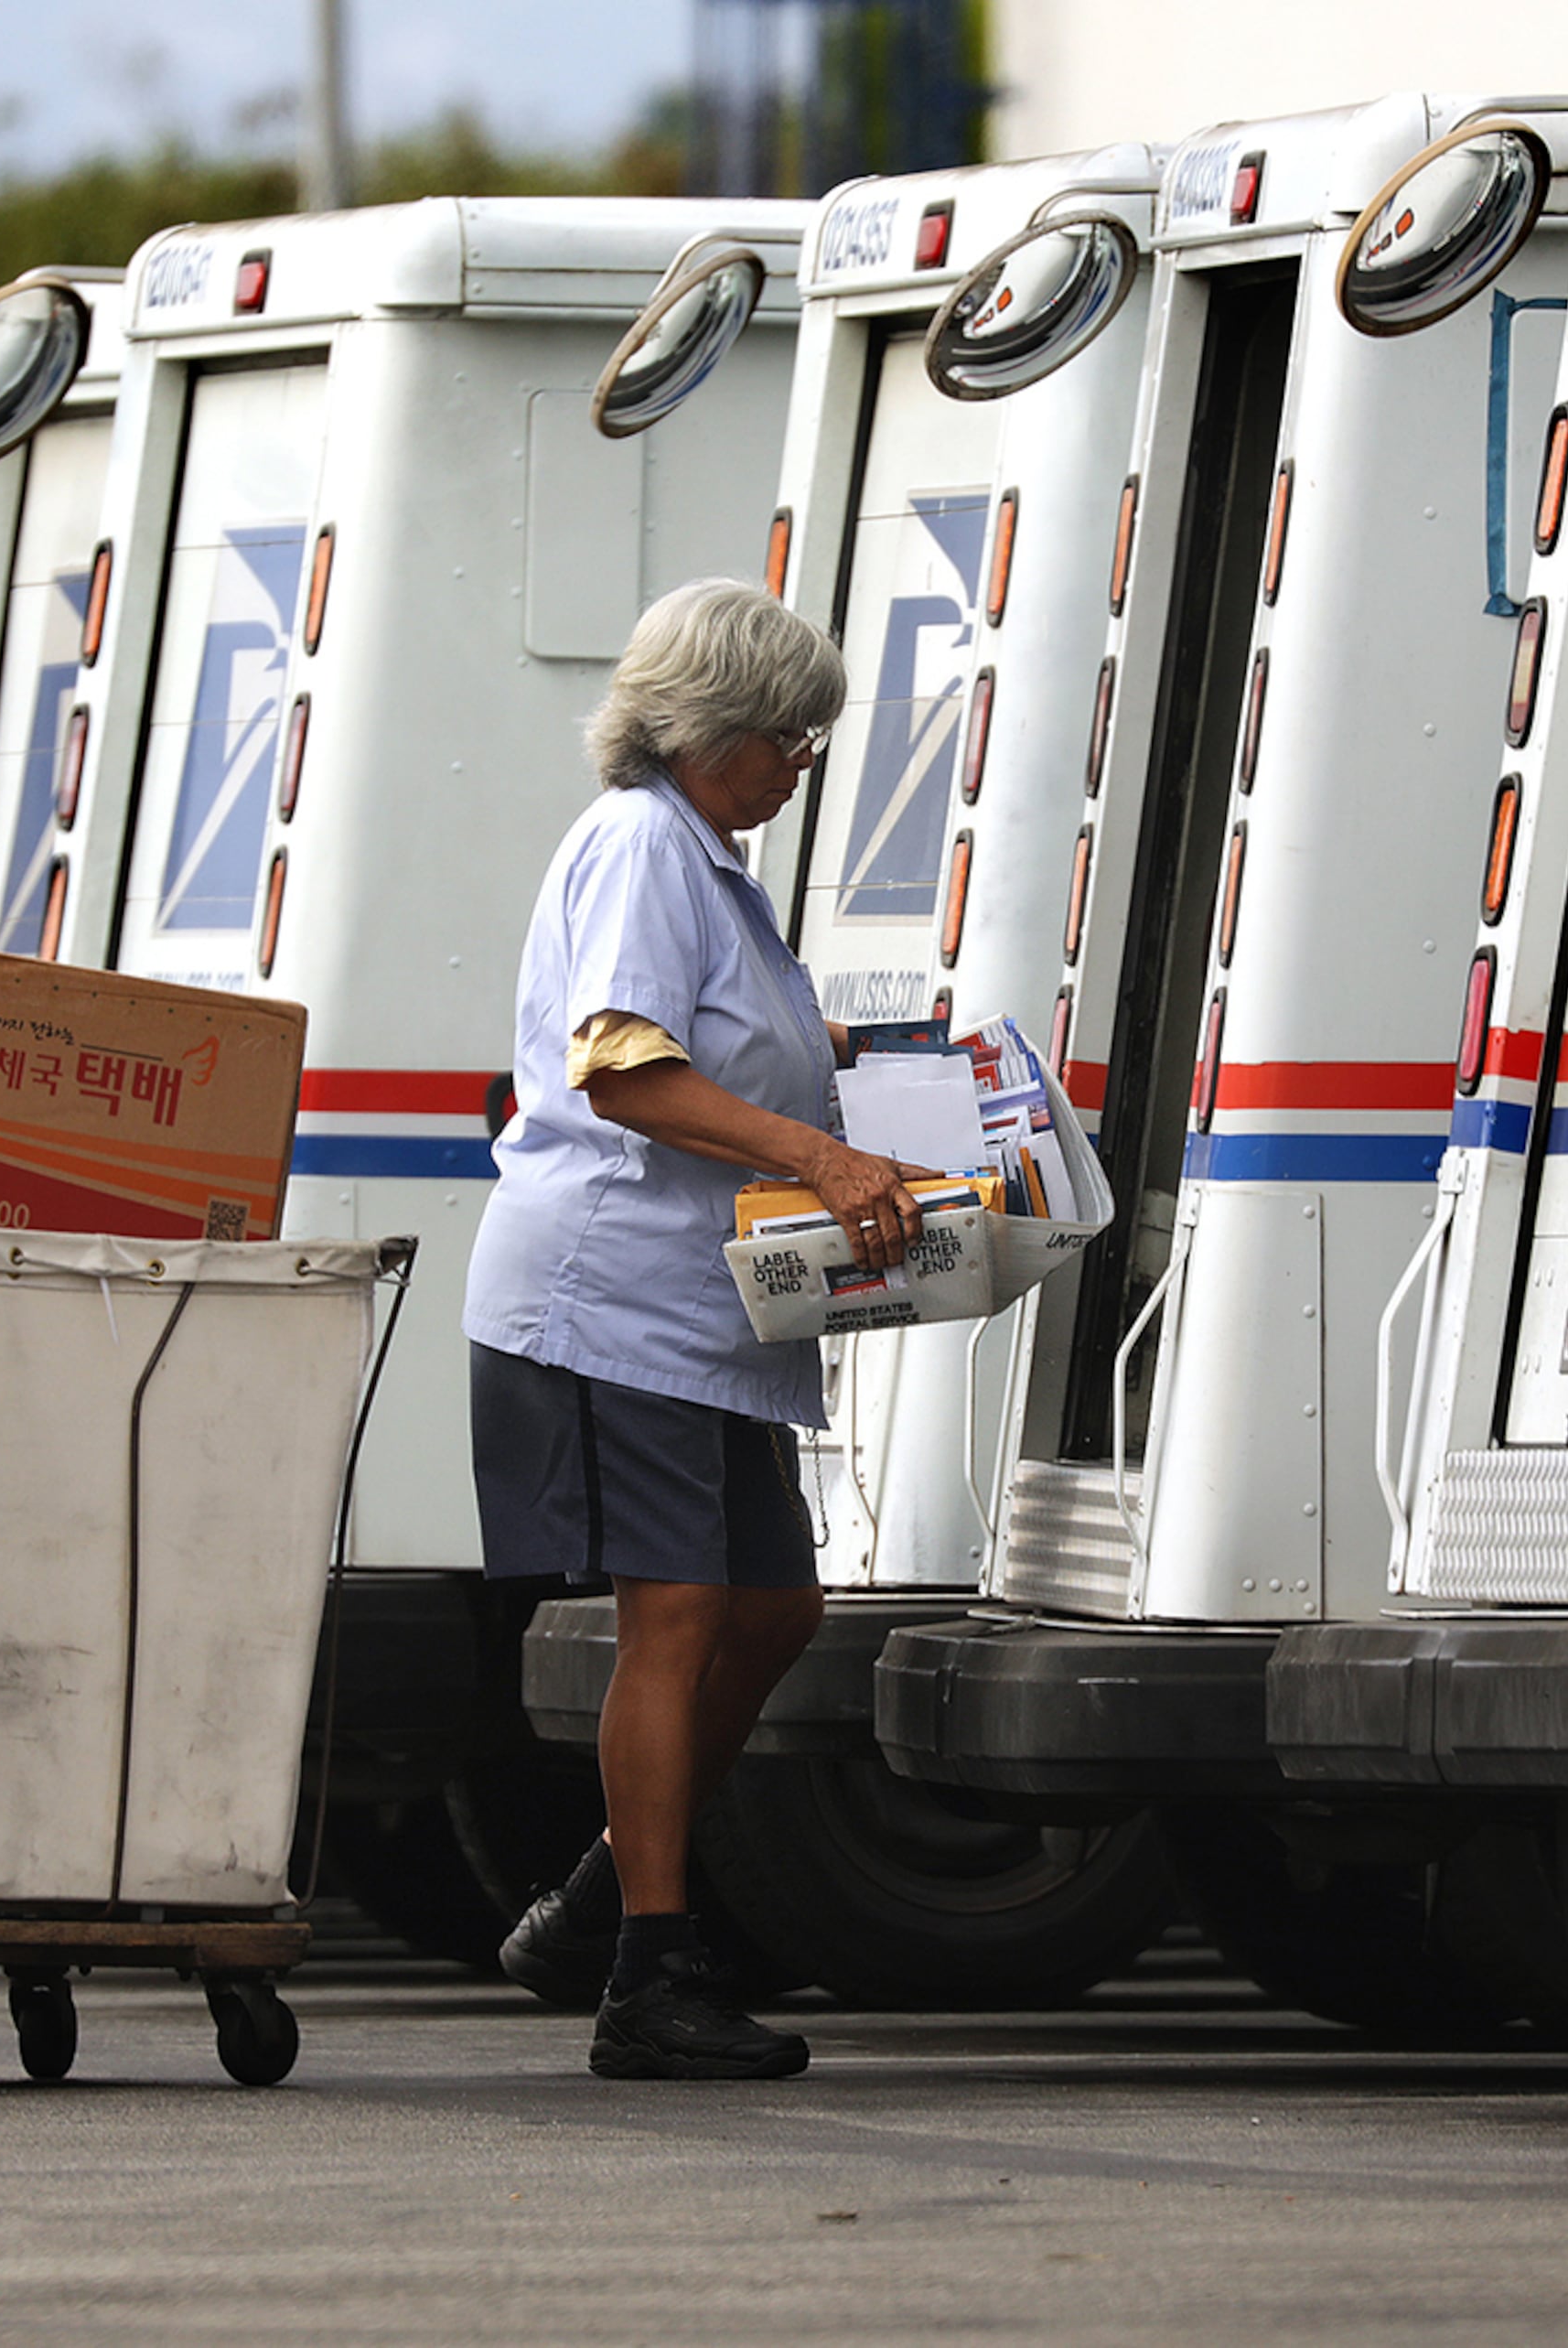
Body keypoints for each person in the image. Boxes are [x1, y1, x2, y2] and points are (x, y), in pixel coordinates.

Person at [467, 578, 929, 2080]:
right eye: (790, 736)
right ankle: (649, 1975)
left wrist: (841, 1067)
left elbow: (718, 1042)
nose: (802, 764)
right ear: (709, 727)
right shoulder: (641, 847)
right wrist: (820, 1155)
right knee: (676, 1616)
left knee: (775, 1609)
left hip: (701, 1310)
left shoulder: (706, 860)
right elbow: (623, 1071)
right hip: (616, 1297)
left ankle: (604, 1893)